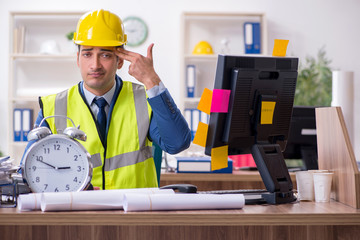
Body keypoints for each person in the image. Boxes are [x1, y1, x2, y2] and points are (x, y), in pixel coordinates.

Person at [25, 9, 191, 190]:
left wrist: (152, 81)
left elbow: (177, 143)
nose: (95, 65)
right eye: (87, 54)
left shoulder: (145, 100)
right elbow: (31, 171)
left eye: (105, 55)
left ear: (120, 61)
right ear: (78, 59)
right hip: (79, 213)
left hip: (136, 213)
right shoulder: (53, 106)